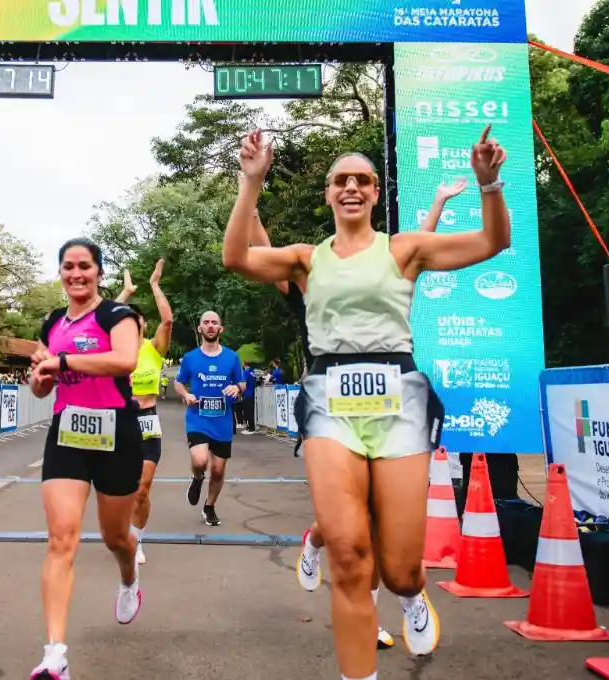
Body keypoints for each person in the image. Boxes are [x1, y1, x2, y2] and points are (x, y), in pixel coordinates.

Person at [222, 125, 510, 680]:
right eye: (340, 181)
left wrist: (489, 186)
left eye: (363, 180)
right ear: (328, 194)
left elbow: (492, 243)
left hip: (398, 399)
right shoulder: (306, 259)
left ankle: (410, 594)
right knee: (351, 557)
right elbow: (236, 256)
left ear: (376, 192)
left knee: (400, 569)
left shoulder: (405, 249)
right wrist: (250, 183)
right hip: (329, 399)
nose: (351, 187)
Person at [244, 202, 395, 650]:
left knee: (377, 517)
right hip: (327, 407)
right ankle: (317, 538)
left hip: (379, 405)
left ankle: (368, 611)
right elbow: (268, 257)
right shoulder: (308, 292)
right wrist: (251, 202)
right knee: (350, 514)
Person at [27, 238, 145, 680]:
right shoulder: (52, 321)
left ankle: (129, 578)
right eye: (68, 266)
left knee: (116, 538)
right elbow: (43, 385)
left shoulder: (117, 315)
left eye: (84, 266)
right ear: (60, 271)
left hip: (117, 433)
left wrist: (60, 360)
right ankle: (55, 653)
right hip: (68, 434)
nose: (76, 274)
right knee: (61, 539)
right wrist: (41, 375)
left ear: (99, 271)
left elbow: (124, 360)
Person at [115, 259, 174, 565]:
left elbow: (168, 321)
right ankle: (122, 529)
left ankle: (136, 538)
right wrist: (124, 294)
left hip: (148, 421)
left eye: (138, 318)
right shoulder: (114, 350)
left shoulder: (153, 348)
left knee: (141, 490)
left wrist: (154, 285)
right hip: (120, 422)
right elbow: (98, 320)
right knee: (120, 490)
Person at [173, 311, 246, 527]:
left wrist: (236, 388)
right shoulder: (190, 358)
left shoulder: (232, 357)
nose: (211, 326)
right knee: (200, 461)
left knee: (218, 470)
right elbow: (178, 382)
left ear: (221, 329)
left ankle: (210, 506)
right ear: (200, 329)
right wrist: (185, 394)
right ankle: (197, 478)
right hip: (198, 419)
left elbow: (242, 384)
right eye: (206, 322)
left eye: (215, 323)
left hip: (223, 421)